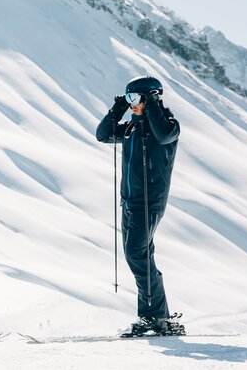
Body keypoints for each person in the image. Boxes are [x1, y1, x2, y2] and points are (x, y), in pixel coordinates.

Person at [95, 75, 184, 336]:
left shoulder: (167, 127)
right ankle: (160, 318)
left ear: (151, 97)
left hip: (149, 202)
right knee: (141, 256)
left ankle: (153, 317)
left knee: (137, 255)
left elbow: (165, 135)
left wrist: (153, 106)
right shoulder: (132, 129)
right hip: (130, 203)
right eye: (128, 97)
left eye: (135, 98)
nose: (132, 103)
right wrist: (118, 107)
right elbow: (103, 135)